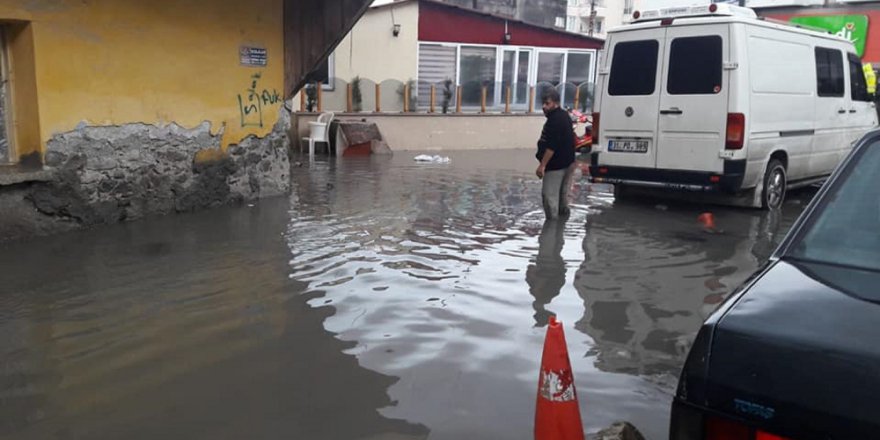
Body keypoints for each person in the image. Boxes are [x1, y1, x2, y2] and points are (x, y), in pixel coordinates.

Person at [535, 89, 576, 219]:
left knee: (549, 197)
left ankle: (551, 227)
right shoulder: (564, 116)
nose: (544, 106)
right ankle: (562, 225)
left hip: (556, 166)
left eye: (547, 103)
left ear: (556, 103)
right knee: (562, 197)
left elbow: (551, 146)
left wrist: (542, 165)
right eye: (543, 103)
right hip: (567, 163)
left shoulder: (555, 120)